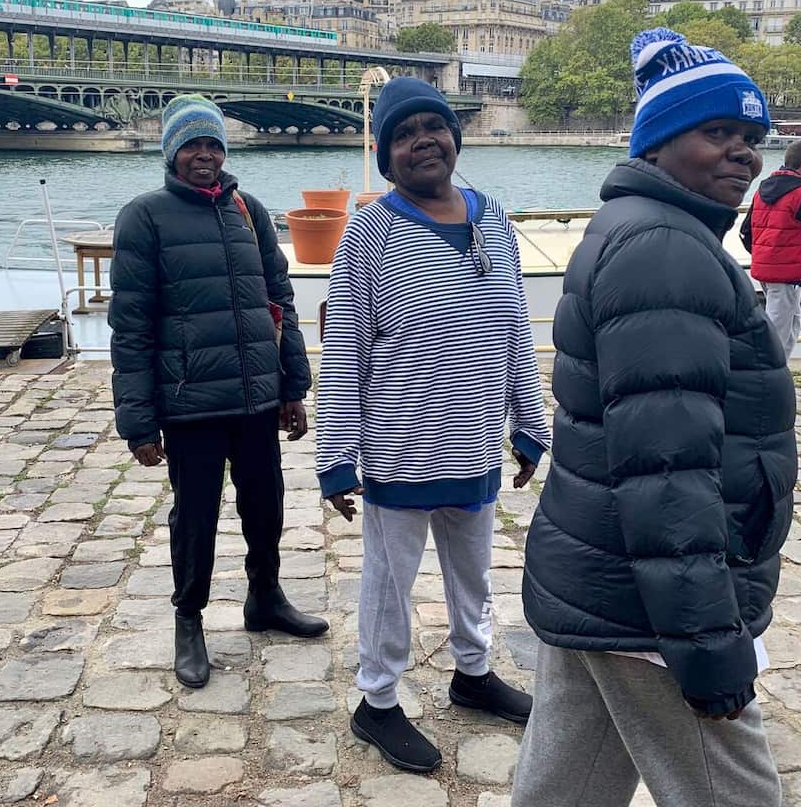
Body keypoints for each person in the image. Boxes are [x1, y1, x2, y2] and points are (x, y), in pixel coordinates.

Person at [512, 28, 796, 807]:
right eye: (717, 132)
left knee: (565, 790)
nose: (743, 155)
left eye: (751, 138)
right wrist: (707, 644)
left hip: (601, 576)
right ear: (659, 142)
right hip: (650, 606)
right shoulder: (666, 250)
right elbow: (667, 472)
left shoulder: (639, 228)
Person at [317, 77, 550, 774]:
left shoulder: (493, 218)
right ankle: (377, 700)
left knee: (473, 575)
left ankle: (472, 672)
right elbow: (346, 352)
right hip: (400, 450)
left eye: (434, 126)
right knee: (389, 585)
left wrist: (529, 422)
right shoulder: (371, 232)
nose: (423, 141)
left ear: (455, 137)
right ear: (387, 156)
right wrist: (336, 457)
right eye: (403, 134)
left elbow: (514, 326)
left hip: (475, 441)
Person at [109, 94, 326, 690]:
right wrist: (138, 420)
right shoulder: (145, 217)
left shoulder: (249, 212)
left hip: (256, 397)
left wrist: (293, 386)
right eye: (191, 145)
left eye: (212, 144)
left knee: (267, 505)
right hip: (191, 403)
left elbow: (278, 302)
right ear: (171, 153)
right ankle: (189, 618)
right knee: (196, 518)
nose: (204, 155)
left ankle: (266, 596)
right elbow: (131, 326)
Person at [740, 139, 801, 358]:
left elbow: (747, 230)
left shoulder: (762, 190)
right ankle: (767, 367)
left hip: (765, 265)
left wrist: (763, 254)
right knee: (779, 325)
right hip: (786, 270)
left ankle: (780, 363)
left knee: (792, 319)